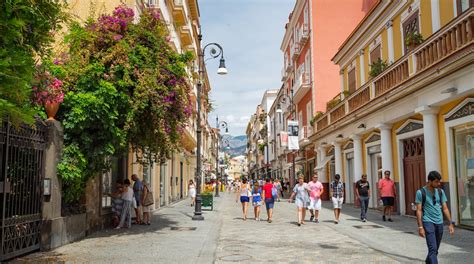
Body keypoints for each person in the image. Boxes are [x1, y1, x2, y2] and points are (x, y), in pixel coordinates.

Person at [415, 171, 455, 264]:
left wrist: (450, 223)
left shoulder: (441, 191)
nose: (439, 183)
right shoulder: (421, 192)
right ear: (429, 181)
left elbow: (445, 208)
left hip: (439, 222)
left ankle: (428, 261)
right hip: (428, 221)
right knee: (432, 248)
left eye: (439, 181)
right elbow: (419, 210)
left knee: (435, 248)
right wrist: (420, 227)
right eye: (436, 181)